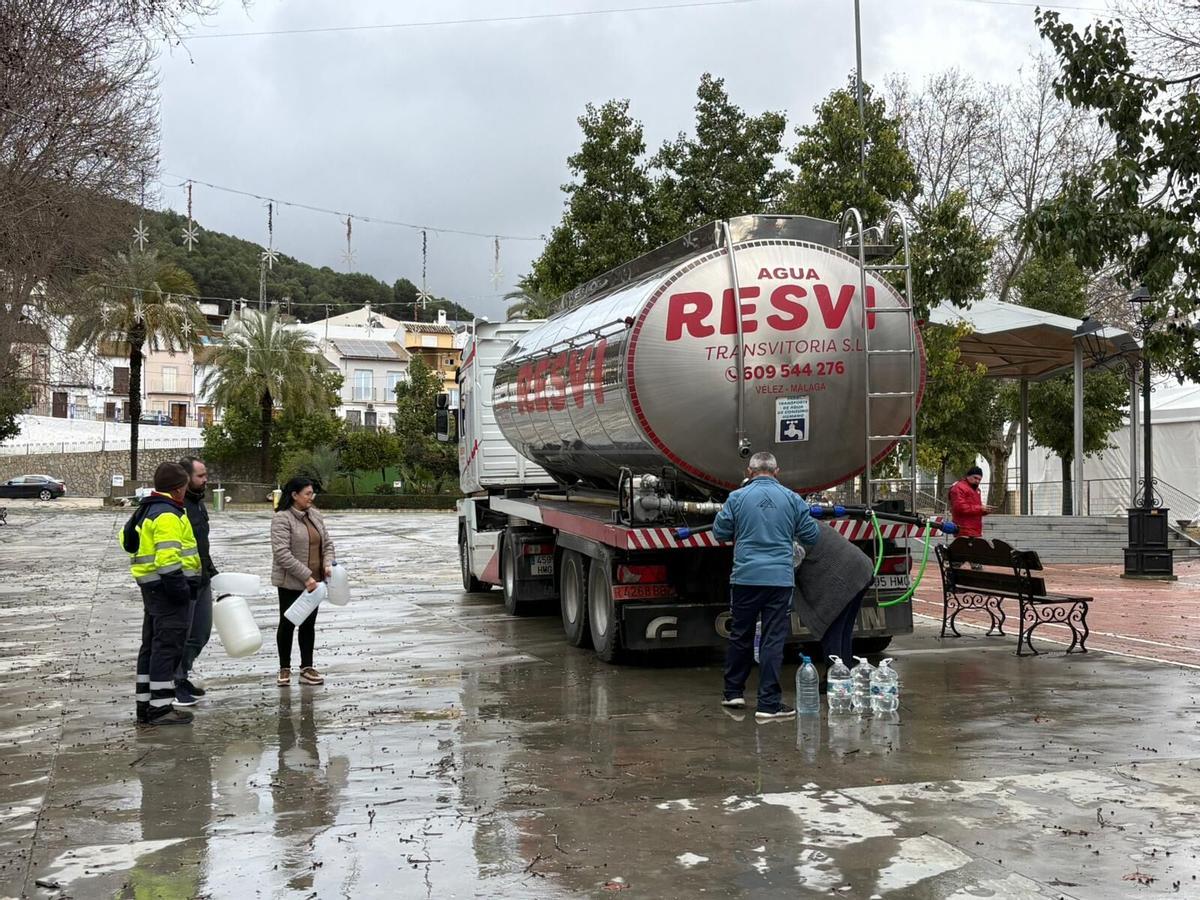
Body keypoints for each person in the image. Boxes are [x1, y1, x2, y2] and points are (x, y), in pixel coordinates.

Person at [713, 451, 821, 721]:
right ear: (777, 471)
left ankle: (733, 692)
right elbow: (812, 534)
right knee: (772, 639)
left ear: (749, 472)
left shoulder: (737, 498)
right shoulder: (792, 498)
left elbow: (719, 531)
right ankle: (768, 704)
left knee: (741, 634)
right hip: (779, 580)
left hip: (745, 578)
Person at [123, 461, 202, 726]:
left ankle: (146, 705)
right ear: (179, 489)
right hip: (168, 591)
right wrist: (181, 591)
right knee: (166, 648)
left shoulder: (146, 509)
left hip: (152, 589)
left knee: (152, 647)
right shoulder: (168, 514)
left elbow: (127, 542)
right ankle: (160, 709)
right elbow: (168, 561)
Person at [271, 477, 336, 687]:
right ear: (294, 495)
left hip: (315, 583)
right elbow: (282, 553)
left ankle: (307, 667)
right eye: (307, 493)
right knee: (288, 623)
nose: (311, 497)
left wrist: (327, 565)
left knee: (308, 625)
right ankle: (284, 668)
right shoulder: (282, 519)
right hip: (292, 582)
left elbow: (327, 544)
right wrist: (305, 576)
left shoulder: (315, 515)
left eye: (312, 493)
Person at [794, 524, 876, 670]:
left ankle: (835, 675)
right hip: (861, 569)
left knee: (831, 628)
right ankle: (844, 672)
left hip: (847, 575)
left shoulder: (796, 531)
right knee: (843, 631)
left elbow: (790, 565)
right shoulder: (805, 521)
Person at [174, 456, 218, 707]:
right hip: (184, 581)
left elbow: (202, 543)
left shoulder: (199, 504)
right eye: (201, 476)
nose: (205, 480)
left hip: (202, 578)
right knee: (181, 633)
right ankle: (176, 681)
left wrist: (211, 570)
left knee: (200, 632)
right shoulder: (177, 507)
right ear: (186, 478)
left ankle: (184, 673)